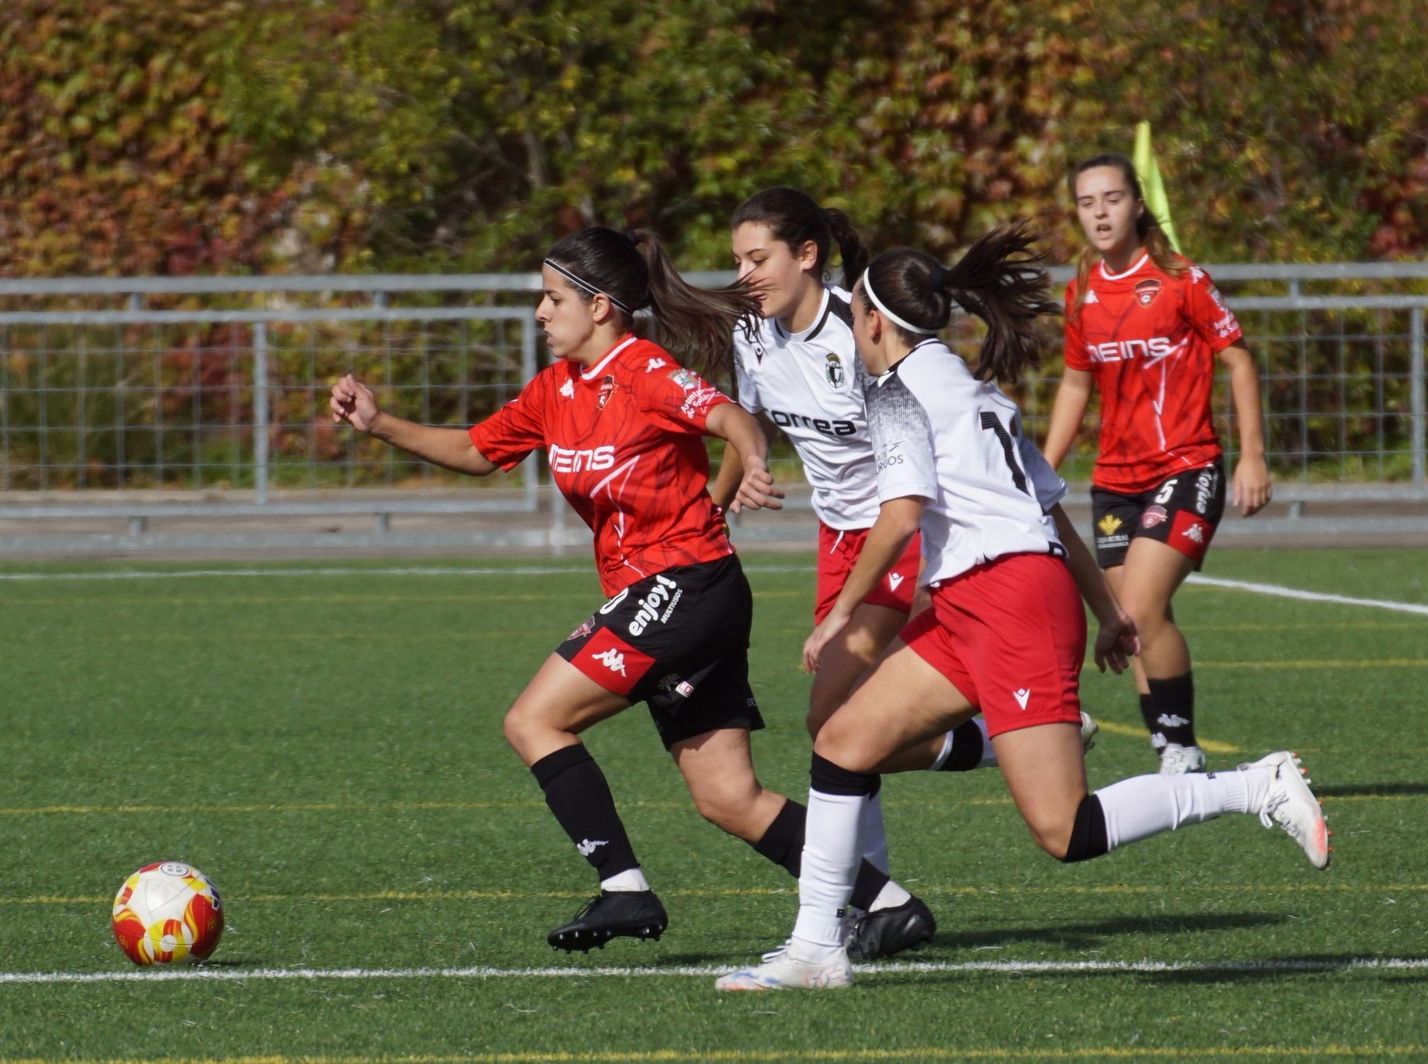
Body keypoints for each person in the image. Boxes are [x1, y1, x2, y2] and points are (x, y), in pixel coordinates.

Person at [714, 223, 1328, 992]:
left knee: (1063, 830)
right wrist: (1107, 609)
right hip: (984, 598)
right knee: (841, 741)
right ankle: (815, 950)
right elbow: (1050, 507)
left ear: (872, 322)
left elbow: (901, 516)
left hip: (1010, 602)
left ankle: (1254, 785)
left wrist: (839, 613)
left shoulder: (900, 393)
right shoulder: (967, 385)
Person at [329, 225, 924, 956]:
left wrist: (751, 459)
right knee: (728, 799)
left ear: (602, 306)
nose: (541, 314)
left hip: (688, 584)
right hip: (675, 594)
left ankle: (624, 889)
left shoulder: (642, 370)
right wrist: (378, 423)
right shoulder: (555, 391)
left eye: (553, 299)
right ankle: (887, 902)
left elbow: (732, 416)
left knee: (534, 721)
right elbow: (478, 450)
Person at [710, 187, 1086, 958]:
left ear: (806, 256)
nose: (744, 274)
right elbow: (744, 421)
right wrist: (740, 473)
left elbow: (915, 487)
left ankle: (872, 903)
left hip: (899, 537)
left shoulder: (867, 332)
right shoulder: (751, 332)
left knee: (835, 725)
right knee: (838, 730)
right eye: (737, 260)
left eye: (758, 258)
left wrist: (844, 608)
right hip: (838, 537)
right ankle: (897, 875)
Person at [1041, 153, 1273, 774]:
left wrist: (1252, 456)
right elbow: (1073, 384)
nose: (1100, 213)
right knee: (1134, 621)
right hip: (1115, 482)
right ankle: (1168, 747)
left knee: (1137, 612)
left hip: (1187, 467)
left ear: (1137, 204)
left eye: (1111, 199)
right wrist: (1041, 470)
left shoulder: (1182, 279)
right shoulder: (1082, 289)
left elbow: (1239, 360)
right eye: (1087, 203)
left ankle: (1181, 747)